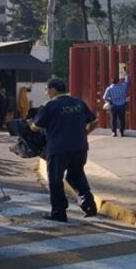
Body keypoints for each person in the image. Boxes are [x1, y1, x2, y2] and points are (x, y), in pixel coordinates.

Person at [30, 78, 98, 222]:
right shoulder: (78, 102)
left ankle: (59, 212)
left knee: (55, 180)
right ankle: (89, 204)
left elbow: (35, 127)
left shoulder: (49, 105)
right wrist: (85, 133)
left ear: (53, 89)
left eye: (47, 89)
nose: (46, 92)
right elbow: (94, 122)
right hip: (80, 147)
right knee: (76, 175)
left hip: (58, 149)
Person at [103, 66, 130, 137]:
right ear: (118, 81)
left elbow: (104, 97)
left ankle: (114, 132)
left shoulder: (109, 88)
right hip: (122, 105)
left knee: (113, 119)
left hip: (114, 106)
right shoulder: (123, 86)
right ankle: (121, 132)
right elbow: (127, 81)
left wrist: (110, 101)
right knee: (122, 119)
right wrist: (126, 72)